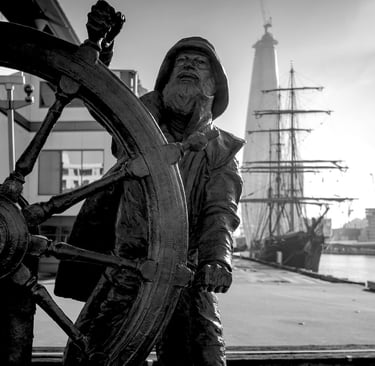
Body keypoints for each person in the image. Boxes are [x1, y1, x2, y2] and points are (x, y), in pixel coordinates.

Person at [55, 2, 244, 365]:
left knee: (203, 359)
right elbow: (100, 98)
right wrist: (102, 49)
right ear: (166, 76)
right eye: (181, 61)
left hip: (185, 276)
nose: (189, 65)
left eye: (199, 63)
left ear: (213, 85)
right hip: (126, 271)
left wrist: (217, 257)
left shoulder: (222, 148)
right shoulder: (137, 124)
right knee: (87, 358)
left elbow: (222, 210)